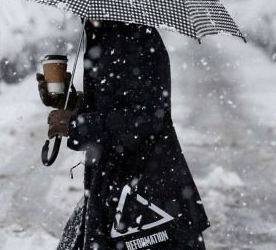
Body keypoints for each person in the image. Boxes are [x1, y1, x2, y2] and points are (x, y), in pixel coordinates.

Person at [37, 20, 209, 250]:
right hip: (112, 185)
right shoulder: (104, 36)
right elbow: (114, 104)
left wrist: (78, 125)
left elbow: (147, 119)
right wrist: (70, 102)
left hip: (145, 190)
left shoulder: (137, 39)